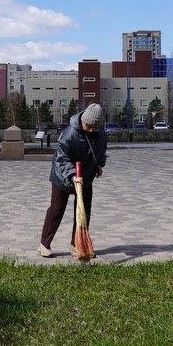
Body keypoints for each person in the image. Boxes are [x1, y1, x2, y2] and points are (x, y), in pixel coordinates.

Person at [38, 103, 108, 258]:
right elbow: (62, 158)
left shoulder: (101, 134)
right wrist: (72, 175)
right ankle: (44, 244)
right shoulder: (70, 133)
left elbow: (101, 150)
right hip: (63, 176)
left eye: (95, 127)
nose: (91, 130)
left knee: (83, 212)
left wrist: (98, 165)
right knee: (56, 210)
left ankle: (78, 244)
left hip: (86, 177)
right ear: (83, 120)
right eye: (88, 126)